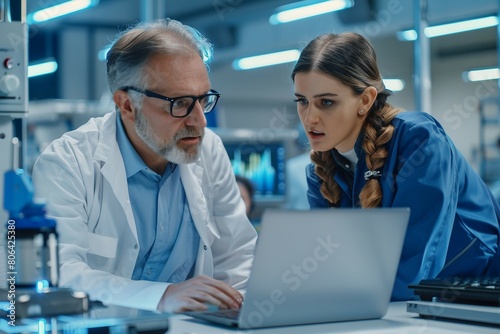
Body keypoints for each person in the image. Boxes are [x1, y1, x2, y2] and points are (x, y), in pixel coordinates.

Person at [31, 18, 257, 313]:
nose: (200, 121)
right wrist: (161, 297)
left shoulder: (208, 149)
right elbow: (58, 272)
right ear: (126, 105)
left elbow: (237, 257)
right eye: (179, 103)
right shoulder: (66, 163)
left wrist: (242, 313)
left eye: (203, 100)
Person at [291, 32, 500, 300]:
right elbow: (331, 263)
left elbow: (418, 263)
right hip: (408, 303)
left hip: (479, 293)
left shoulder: (419, 141)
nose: (309, 118)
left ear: (365, 100)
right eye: (302, 101)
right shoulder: (321, 169)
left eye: (327, 102)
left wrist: (346, 299)